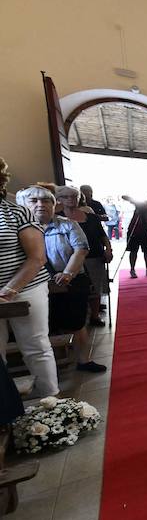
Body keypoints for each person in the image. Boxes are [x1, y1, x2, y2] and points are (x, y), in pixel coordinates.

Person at [18, 186, 106, 374]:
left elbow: (81, 249)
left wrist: (68, 273)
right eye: (34, 201)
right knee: (45, 326)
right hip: (33, 285)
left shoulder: (68, 225)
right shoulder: (17, 229)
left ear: (54, 204)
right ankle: (47, 368)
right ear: (23, 205)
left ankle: (83, 359)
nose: (41, 205)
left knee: (75, 322)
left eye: (46, 201)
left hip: (69, 280)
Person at [0, 161, 57, 396]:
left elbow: (37, 258)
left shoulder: (15, 212)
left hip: (24, 287)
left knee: (35, 346)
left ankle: (50, 402)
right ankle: (5, 408)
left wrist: (7, 291)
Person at [56, 186, 112, 327]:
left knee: (95, 288)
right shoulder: (57, 219)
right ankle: (77, 318)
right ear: (59, 200)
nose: (71, 200)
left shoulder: (91, 217)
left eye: (74, 197)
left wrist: (108, 249)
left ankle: (94, 316)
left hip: (94, 255)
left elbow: (102, 235)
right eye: (66, 197)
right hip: (68, 260)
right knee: (75, 289)